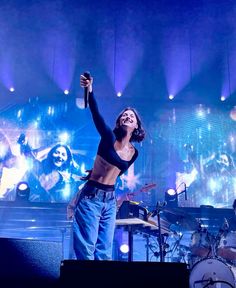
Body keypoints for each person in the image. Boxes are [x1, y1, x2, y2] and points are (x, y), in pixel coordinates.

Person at [68, 73, 145, 260]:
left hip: (109, 200)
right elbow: (95, 112)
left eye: (131, 116)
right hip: (91, 197)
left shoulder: (134, 152)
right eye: (124, 115)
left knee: (104, 251)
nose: (127, 117)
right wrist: (89, 89)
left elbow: (117, 172)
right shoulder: (108, 137)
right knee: (86, 249)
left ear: (136, 125)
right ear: (119, 121)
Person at [18, 135, 82, 202]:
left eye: (63, 154)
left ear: (67, 159)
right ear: (51, 154)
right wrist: (25, 145)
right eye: (57, 153)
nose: (59, 156)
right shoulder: (41, 167)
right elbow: (30, 158)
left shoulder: (69, 178)